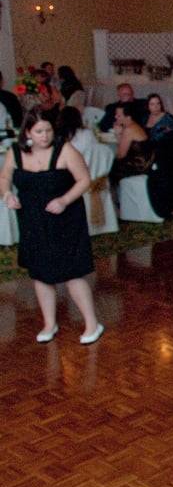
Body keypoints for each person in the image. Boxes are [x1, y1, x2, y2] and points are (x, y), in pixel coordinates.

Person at [0, 108, 104, 344]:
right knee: (41, 272)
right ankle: (49, 323)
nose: (45, 136)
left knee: (72, 273)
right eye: (39, 131)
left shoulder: (65, 150)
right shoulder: (15, 152)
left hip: (65, 218)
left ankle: (92, 324)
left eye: (48, 130)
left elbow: (84, 180)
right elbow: (4, 178)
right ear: (27, 132)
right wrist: (7, 194)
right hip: (32, 219)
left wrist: (64, 200)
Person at [110, 104, 152, 184]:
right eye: (116, 114)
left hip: (139, 165)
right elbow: (123, 146)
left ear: (128, 117)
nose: (115, 117)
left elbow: (121, 155)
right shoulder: (131, 125)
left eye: (118, 115)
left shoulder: (129, 129)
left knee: (109, 164)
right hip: (141, 160)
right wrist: (118, 134)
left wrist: (111, 156)